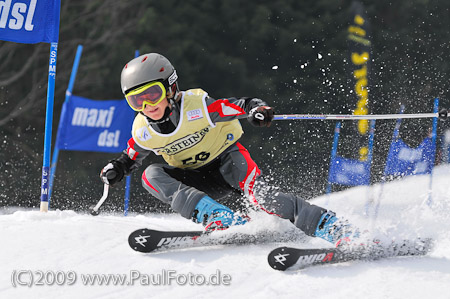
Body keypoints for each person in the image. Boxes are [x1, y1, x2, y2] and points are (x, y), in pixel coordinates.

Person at [100, 53, 356, 244]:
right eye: (136, 100)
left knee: (264, 198)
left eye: (152, 94)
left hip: (228, 164)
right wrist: (117, 168)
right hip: (195, 181)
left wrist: (257, 110)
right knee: (150, 175)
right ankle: (216, 216)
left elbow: (241, 104)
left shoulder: (198, 107)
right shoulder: (143, 129)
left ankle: (332, 227)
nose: (147, 106)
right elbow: (131, 156)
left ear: (171, 88)